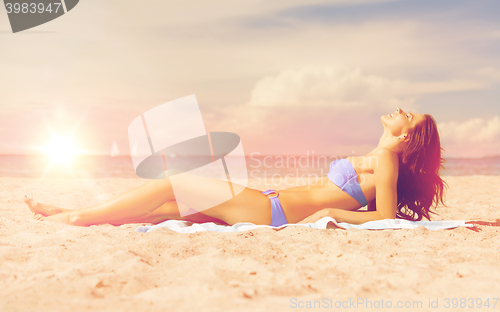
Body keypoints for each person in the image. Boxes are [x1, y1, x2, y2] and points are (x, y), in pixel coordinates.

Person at [23, 108, 447, 227]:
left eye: (409, 117)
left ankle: (77, 216)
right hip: (268, 203)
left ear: (407, 138)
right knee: (170, 208)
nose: (400, 111)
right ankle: (68, 214)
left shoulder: (388, 160)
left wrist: (335, 214)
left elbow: (388, 216)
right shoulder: (378, 155)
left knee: (174, 182)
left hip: (271, 213)